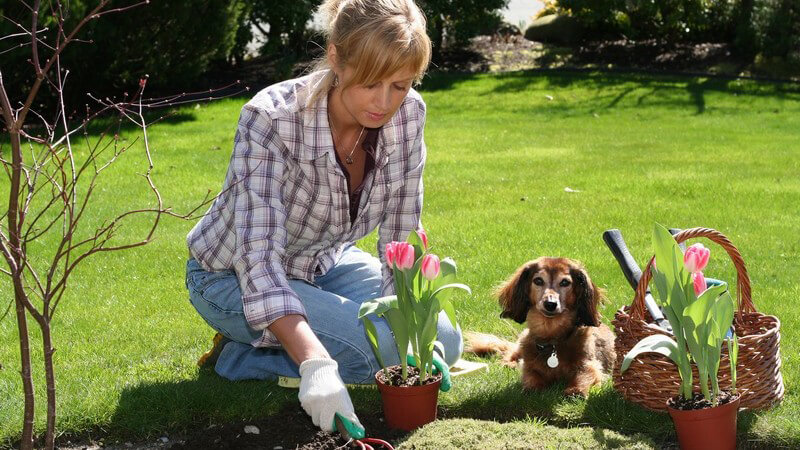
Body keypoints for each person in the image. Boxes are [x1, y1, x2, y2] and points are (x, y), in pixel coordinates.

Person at [184, 0, 462, 436]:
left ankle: (270, 346)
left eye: (400, 85)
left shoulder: (409, 115)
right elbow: (258, 259)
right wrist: (316, 363)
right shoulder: (271, 118)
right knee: (380, 354)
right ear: (336, 58)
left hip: (323, 263)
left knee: (442, 339)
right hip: (232, 276)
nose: (385, 102)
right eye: (370, 83)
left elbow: (400, 234)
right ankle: (244, 356)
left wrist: (411, 334)